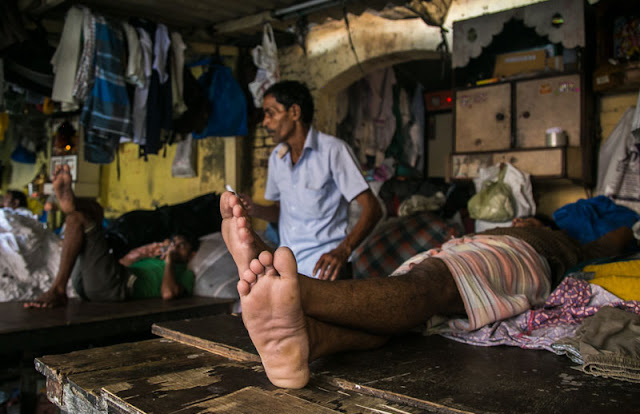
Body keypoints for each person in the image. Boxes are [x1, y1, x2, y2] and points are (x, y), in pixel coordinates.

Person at [220, 191, 636, 389]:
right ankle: (309, 338)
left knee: (427, 287)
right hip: (456, 250)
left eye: (527, 216)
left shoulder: (547, 238)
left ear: (533, 223)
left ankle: (299, 292)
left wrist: (606, 234)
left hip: (513, 255)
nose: (521, 216)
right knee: (399, 313)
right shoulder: (492, 234)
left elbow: (616, 240)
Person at [237, 80, 382, 280]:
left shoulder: (333, 151)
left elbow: (373, 209)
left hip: (327, 269)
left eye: (271, 113)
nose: (265, 122)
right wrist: (254, 209)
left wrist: (343, 250)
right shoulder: (277, 159)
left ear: (295, 112)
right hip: (290, 269)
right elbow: (280, 213)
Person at [24, 164, 198, 308]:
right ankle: (72, 205)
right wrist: (142, 253)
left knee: (78, 219)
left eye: (181, 246)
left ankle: (58, 289)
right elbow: (123, 263)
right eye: (174, 242)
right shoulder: (155, 261)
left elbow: (168, 293)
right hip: (100, 281)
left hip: (114, 288)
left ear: (192, 255)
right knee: (95, 213)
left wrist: (169, 262)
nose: (174, 247)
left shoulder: (185, 273)